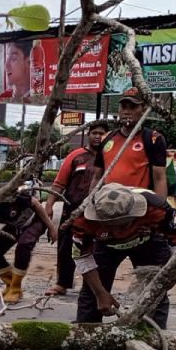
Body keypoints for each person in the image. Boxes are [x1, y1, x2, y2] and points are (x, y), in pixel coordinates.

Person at [54, 183, 176, 350]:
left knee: (155, 295)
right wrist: (101, 293)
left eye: (122, 224)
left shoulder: (158, 209)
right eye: (109, 226)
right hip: (104, 247)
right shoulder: (82, 218)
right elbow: (81, 256)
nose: (117, 231)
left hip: (149, 242)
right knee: (90, 295)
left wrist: (175, 269)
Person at [0, 173, 58, 302]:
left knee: (23, 245)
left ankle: (16, 289)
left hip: (34, 219)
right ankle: (10, 285)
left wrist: (51, 227)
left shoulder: (8, 194)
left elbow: (35, 204)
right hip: (15, 225)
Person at [45, 120, 110, 295]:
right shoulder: (76, 156)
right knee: (65, 249)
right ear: (88, 135)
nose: (98, 136)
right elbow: (58, 184)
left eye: (102, 133)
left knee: (98, 251)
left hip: (99, 214)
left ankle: (93, 288)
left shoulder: (111, 157)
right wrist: (49, 206)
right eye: (94, 133)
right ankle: (62, 284)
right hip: (71, 211)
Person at [95, 88, 168, 197]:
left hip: (139, 205)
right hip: (108, 204)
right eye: (124, 107)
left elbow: (159, 178)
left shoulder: (154, 139)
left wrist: (161, 210)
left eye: (133, 107)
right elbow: (97, 177)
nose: (127, 111)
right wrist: (89, 204)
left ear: (143, 109)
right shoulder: (107, 138)